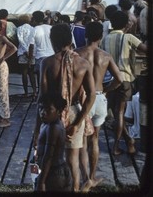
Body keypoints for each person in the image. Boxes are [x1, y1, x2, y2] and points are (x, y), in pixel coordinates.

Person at [34, 23, 95, 191]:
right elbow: (91, 95)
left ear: (52, 41)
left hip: (53, 113)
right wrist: (77, 123)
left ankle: (46, 186)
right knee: (72, 158)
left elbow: (42, 98)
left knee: (50, 157)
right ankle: (75, 189)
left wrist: (37, 129)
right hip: (75, 112)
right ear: (70, 40)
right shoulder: (82, 64)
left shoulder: (47, 63)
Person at [75, 21, 123, 192]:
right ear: (101, 37)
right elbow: (119, 79)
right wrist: (106, 90)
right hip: (100, 97)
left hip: (83, 99)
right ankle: (93, 177)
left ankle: (84, 178)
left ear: (86, 35)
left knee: (81, 139)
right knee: (94, 138)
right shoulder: (106, 56)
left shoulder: (77, 53)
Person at [101, 11, 147, 156]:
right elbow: (146, 50)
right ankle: (116, 146)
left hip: (110, 79)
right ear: (126, 24)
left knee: (116, 113)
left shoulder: (105, 39)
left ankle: (128, 141)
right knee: (120, 113)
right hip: (125, 79)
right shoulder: (128, 37)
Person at [35, 92, 72, 191]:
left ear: (59, 111)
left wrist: (41, 181)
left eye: (48, 109)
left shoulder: (53, 128)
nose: (43, 112)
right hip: (53, 171)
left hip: (53, 173)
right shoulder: (48, 124)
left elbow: (49, 156)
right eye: (41, 108)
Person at [16, 14, 36, 97]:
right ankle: (34, 91)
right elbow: (33, 41)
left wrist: (25, 50)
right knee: (31, 73)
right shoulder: (33, 28)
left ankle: (26, 92)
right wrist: (29, 51)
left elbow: (20, 40)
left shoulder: (19, 28)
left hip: (22, 52)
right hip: (32, 52)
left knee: (24, 72)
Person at [32, 10, 54, 86]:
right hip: (52, 56)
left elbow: (32, 45)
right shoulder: (51, 28)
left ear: (34, 19)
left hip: (40, 57)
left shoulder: (34, 29)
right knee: (51, 78)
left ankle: (40, 94)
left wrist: (31, 58)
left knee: (41, 78)